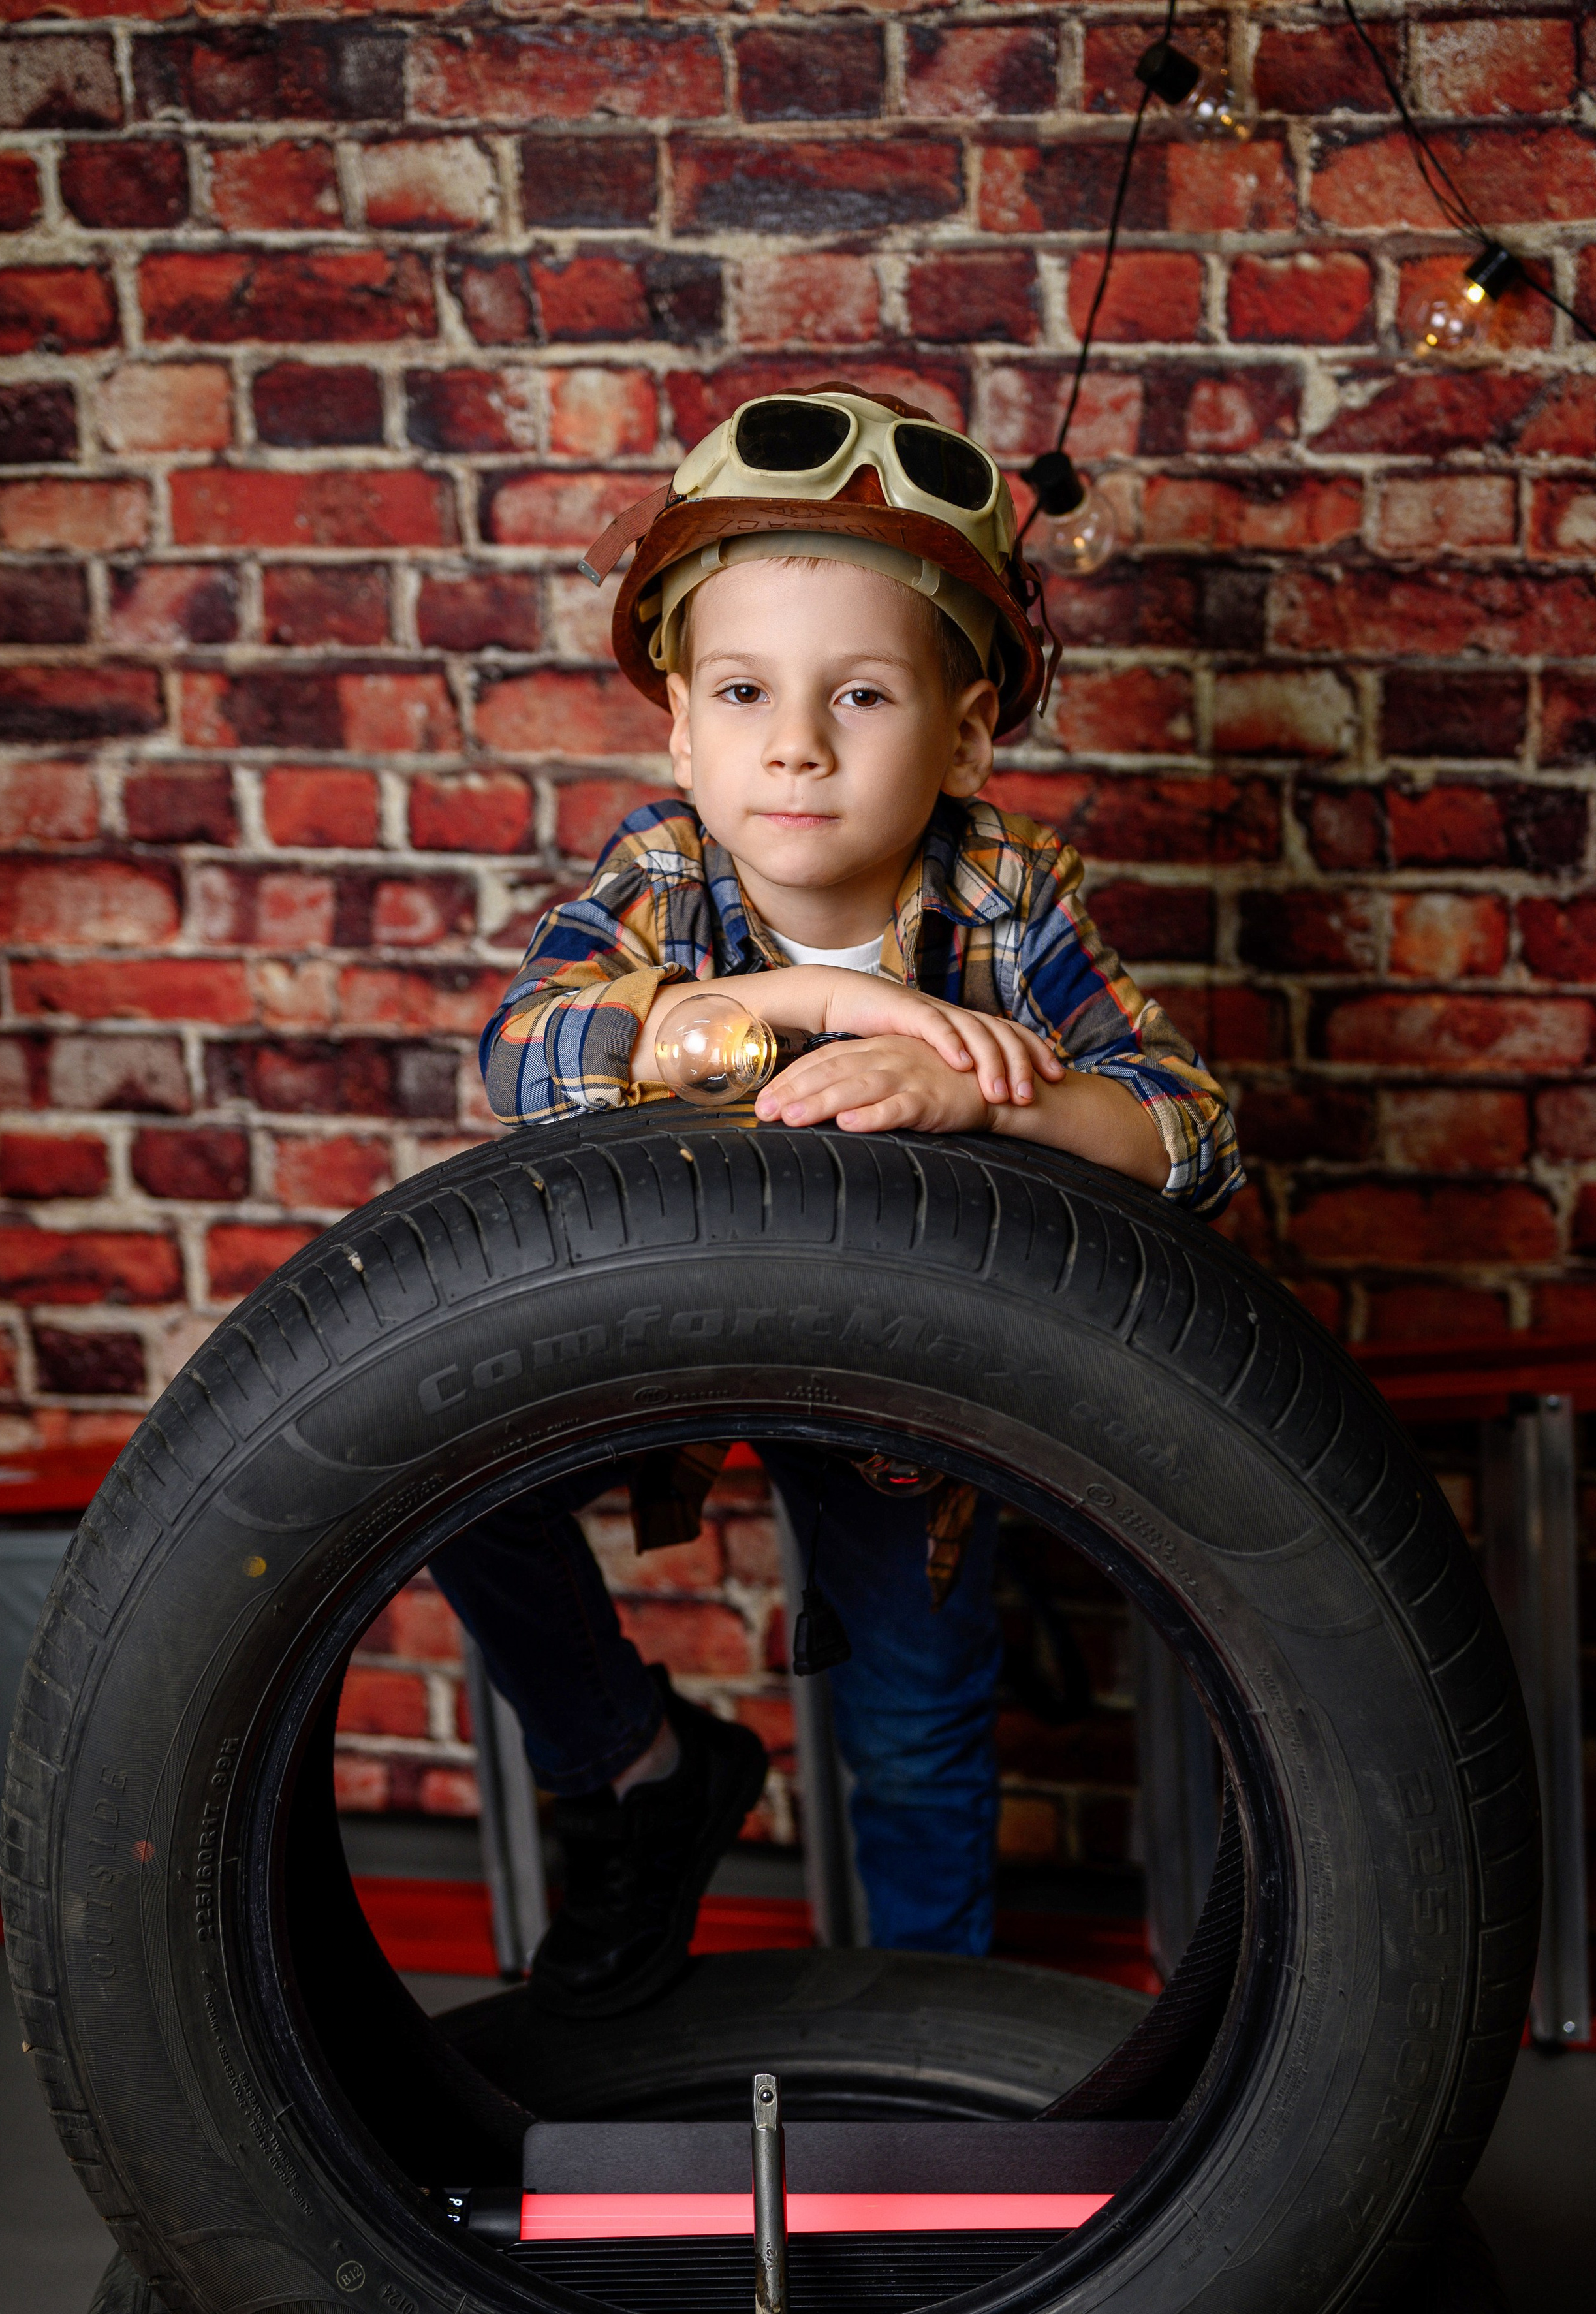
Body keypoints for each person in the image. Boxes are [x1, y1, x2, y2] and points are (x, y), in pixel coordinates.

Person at [429, 386, 1243, 2018]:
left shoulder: (1004, 894)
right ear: (679, 726)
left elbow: (1196, 1134)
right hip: (660, 1320)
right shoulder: (666, 872)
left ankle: (920, 2026)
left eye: (859, 694)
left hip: (903, 1384)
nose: (793, 742)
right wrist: (799, 1013)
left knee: (916, 1717)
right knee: (446, 1472)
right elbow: (520, 1054)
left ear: (958, 735)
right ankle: (644, 1766)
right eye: (742, 692)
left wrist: (983, 1086)